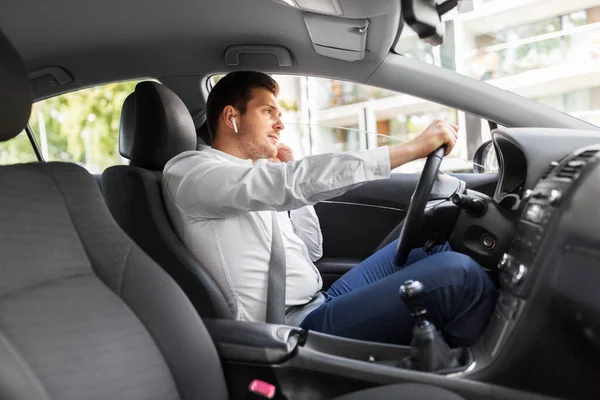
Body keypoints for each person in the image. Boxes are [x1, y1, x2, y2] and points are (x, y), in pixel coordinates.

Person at [162, 71, 497, 347]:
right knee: (460, 276)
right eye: (267, 112)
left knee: (433, 244)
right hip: (289, 328)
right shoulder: (192, 173)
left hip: (322, 299)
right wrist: (408, 150)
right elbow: (289, 184)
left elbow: (311, 249)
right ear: (231, 117)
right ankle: (458, 371)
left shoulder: (249, 180)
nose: (280, 124)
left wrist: (291, 180)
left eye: (280, 116)